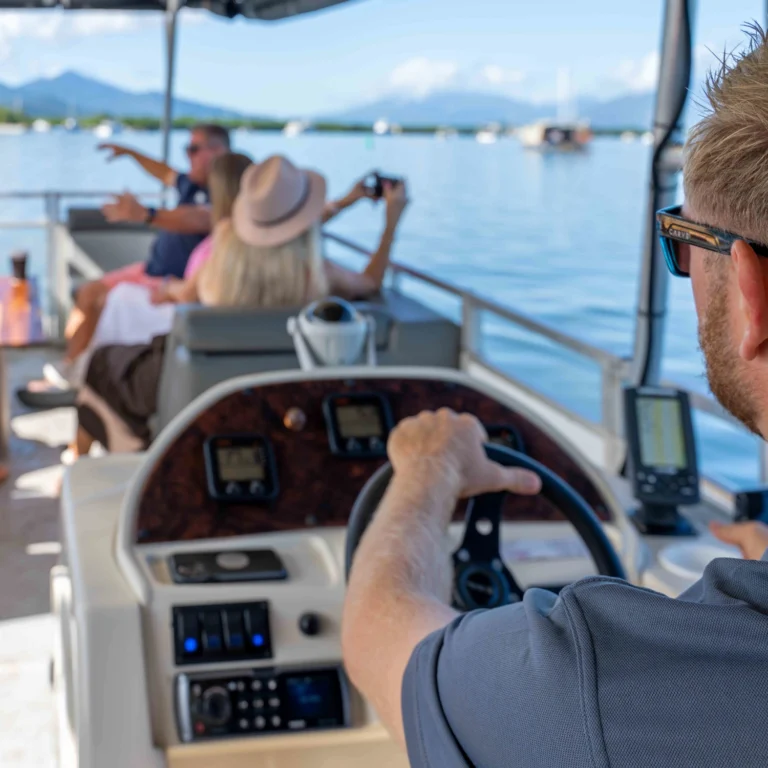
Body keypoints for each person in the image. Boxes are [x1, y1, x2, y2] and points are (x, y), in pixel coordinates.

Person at [342, 26, 768, 768]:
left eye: (684, 241)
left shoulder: (602, 682)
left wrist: (428, 473)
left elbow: (377, 634)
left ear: (752, 296)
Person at [74, 154, 409, 454]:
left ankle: (82, 460)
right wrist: (391, 223)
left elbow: (185, 294)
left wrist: (168, 289)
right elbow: (370, 282)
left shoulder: (218, 266)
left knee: (102, 364)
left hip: (200, 399)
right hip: (285, 399)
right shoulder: (317, 276)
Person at [45, 124, 230, 387]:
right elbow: (165, 172)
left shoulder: (223, 194)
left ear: (217, 151)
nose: (187, 155)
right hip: (150, 269)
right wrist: (131, 153)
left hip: (168, 280)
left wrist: (147, 215)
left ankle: (78, 373)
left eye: (192, 149)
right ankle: (71, 367)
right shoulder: (191, 184)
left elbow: (200, 218)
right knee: (87, 294)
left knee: (99, 299)